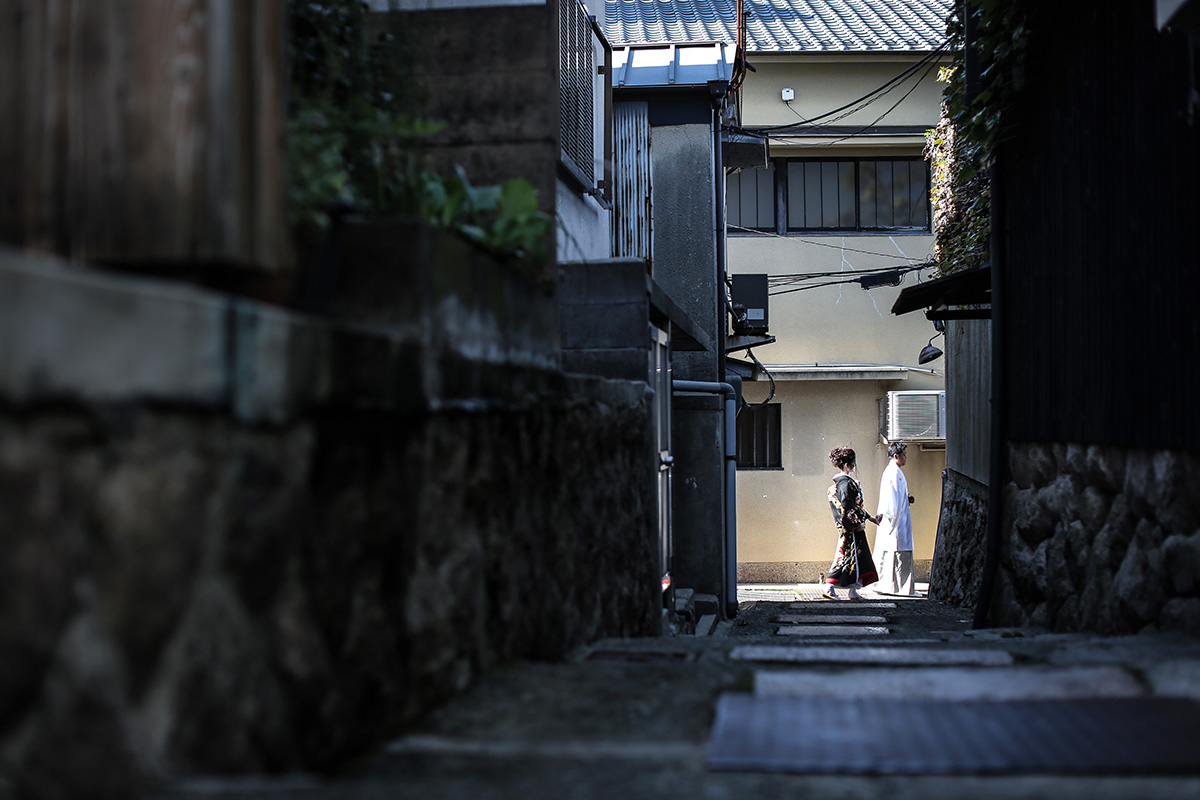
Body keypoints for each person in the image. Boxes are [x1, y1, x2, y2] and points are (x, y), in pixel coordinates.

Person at [821, 445, 880, 600]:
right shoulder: (846, 484)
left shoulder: (841, 484)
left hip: (850, 526)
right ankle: (829, 586)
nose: (854, 465)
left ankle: (852, 591)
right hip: (851, 528)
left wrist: (869, 517)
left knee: (856, 559)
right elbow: (848, 506)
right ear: (847, 464)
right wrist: (856, 523)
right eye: (853, 462)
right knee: (845, 558)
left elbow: (852, 506)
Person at [873, 442, 919, 596]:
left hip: (894, 519)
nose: (906, 458)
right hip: (895, 521)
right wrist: (893, 522)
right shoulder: (894, 473)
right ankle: (900, 589)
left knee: (891, 553)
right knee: (897, 553)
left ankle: (890, 586)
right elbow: (893, 501)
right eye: (904, 455)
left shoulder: (892, 471)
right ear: (896, 456)